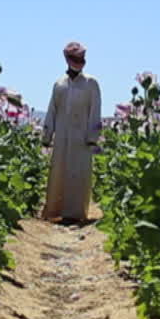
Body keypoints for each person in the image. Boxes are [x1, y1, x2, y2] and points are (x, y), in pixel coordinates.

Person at [41, 42, 102, 224]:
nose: (79, 62)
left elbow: (95, 110)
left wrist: (92, 137)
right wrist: (47, 135)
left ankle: (75, 214)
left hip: (81, 138)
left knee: (79, 174)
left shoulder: (91, 83)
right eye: (75, 59)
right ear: (67, 60)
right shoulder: (59, 84)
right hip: (61, 137)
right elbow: (52, 110)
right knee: (59, 172)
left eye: (81, 59)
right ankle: (56, 210)